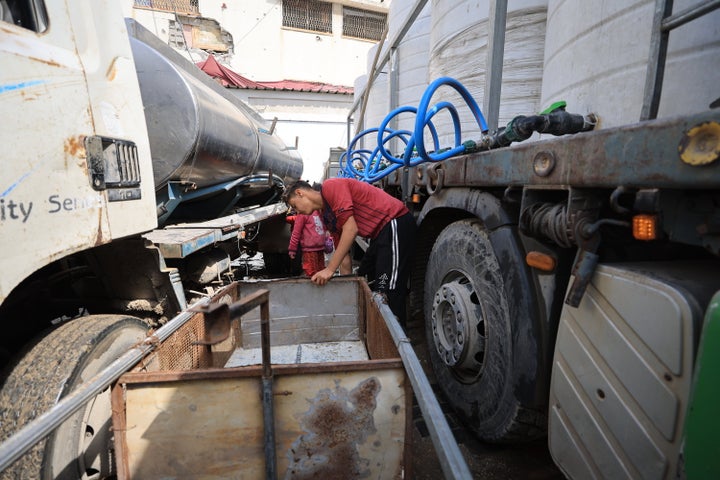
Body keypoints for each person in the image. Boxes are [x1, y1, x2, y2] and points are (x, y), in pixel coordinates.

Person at [282, 178, 416, 324]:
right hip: (379, 234)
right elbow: (343, 254)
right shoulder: (326, 216)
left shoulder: (331, 187)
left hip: (394, 222)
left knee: (388, 289)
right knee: (364, 275)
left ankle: (397, 341)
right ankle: (373, 325)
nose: (297, 211)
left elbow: (351, 229)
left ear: (300, 193)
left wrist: (329, 270)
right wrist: (346, 295)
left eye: (294, 205)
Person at [287, 210, 327, 277]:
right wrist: (292, 249)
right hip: (309, 250)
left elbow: (323, 227)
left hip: (320, 248)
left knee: (321, 271)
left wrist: (326, 241)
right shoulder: (302, 215)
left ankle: (319, 285)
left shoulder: (318, 211)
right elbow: (296, 233)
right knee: (311, 272)